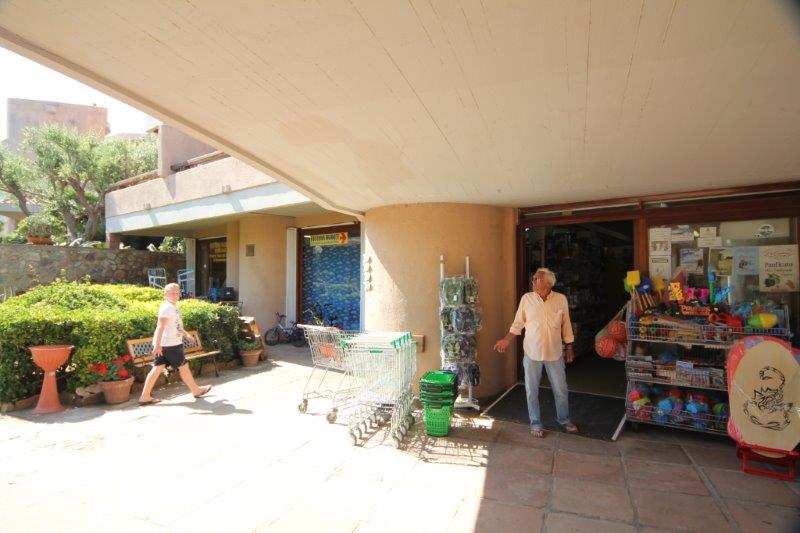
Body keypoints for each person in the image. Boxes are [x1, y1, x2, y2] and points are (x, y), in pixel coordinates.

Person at [493, 267, 578, 438]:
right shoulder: (527, 299)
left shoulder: (560, 299)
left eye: (537, 279)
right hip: (532, 353)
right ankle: (535, 422)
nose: (533, 281)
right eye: (533, 278)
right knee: (531, 391)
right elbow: (518, 323)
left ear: (548, 283)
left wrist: (569, 346)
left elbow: (566, 324)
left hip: (555, 353)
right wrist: (506, 340)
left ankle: (563, 419)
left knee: (561, 389)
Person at [139, 283, 212, 405]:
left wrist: (186, 334)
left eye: (177, 293)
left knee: (157, 368)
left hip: (166, 343)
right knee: (184, 367)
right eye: (172, 293)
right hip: (170, 344)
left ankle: (145, 396)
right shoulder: (167, 307)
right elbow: (160, 326)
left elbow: (176, 325)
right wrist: (157, 345)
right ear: (165, 294)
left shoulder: (172, 307)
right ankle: (196, 390)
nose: (175, 295)